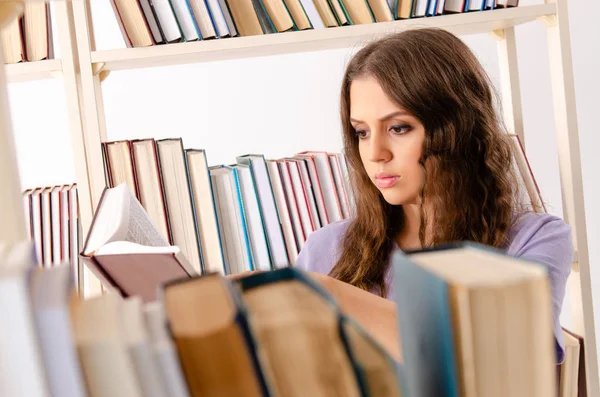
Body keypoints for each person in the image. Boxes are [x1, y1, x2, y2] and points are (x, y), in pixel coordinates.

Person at [294, 27, 573, 365]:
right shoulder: (326, 249)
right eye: (362, 132)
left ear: (455, 128)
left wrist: (328, 294)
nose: (375, 153)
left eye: (398, 128)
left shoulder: (533, 240)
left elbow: (517, 352)